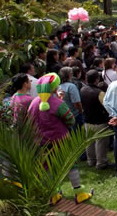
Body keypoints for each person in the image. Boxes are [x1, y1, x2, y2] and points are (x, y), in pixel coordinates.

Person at [28, 73, 93, 204]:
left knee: (47, 167)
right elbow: (70, 120)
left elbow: (29, 120)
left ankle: (53, 195)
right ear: (54, 87)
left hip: (41, 142)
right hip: (61, 140)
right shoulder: (57, 103)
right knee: (71, 165)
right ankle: (79, 193)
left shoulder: (34, 102)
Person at [81, 70, 111, 170]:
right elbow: (107, 107)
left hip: (87, 120)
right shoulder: (99, 93)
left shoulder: (82, 90)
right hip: (99, 121)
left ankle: (91, 160)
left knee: (90, 142)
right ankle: (101, 162)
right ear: (97, 79)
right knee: (101, 142)